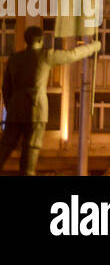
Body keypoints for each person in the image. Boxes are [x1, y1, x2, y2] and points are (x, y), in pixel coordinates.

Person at [0, 27, 101, 174]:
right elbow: (72, 54)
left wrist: (13, 108)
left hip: (15, 110)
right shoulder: (46, 55)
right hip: (36, 110)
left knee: (6, 146)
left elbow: (5, 89)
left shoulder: (14, 58)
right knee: (31, 149)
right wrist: (94, 46)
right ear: (41, 40)